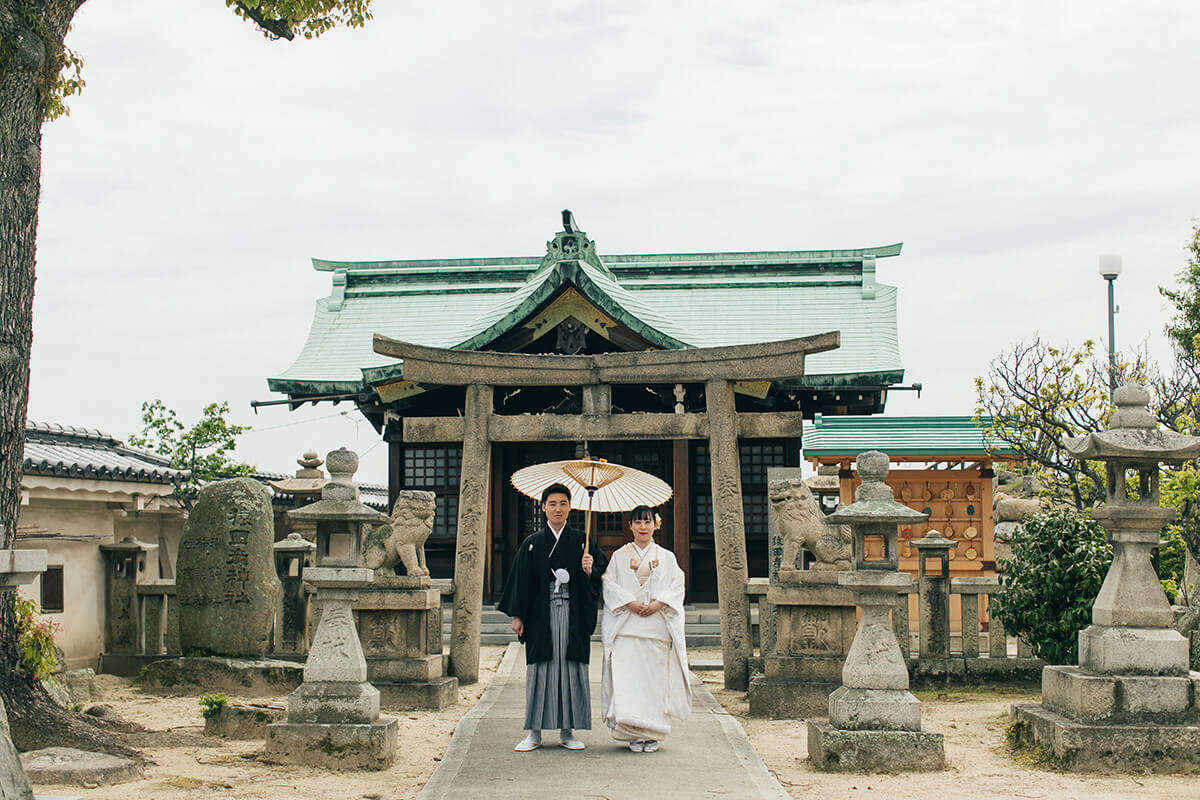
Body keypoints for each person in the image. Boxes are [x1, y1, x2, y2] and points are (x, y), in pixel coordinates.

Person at [497, 482, 607, 752]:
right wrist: (517, 616)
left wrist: (591, 570)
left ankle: (568, 731)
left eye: (563, 503)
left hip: (573, 613)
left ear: (571, 507)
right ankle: (534, 732)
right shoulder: (532, 544)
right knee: (539, 671)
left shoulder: (583, 541)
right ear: (543, 507)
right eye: (552, 504)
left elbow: (603, 577)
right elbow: (521, 582)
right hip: (540, 616)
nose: (558, 509)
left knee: (570, 670)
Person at [600, 505, 691, 753]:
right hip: (627, 629)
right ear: (630, 526)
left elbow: (677, 584)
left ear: (655, 525)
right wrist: (630, 603)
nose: (642, 527)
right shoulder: (619, 556)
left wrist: (659, 603)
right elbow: (609, 585)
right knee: (628, 682)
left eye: (647, 522)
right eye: (638, 522)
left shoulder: (666, 557)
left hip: (655, 628)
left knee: (653, 684)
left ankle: (652, 733)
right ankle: (631, 732)